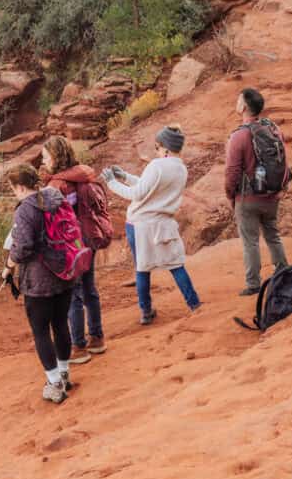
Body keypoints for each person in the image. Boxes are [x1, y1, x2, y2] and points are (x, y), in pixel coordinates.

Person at [102, 125, 201, 325]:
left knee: (142, 268)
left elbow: (138, 193)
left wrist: (112, 183)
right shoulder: (181, 168)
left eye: (157, 146)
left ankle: (146, 312)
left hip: (139, 225)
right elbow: (150, 186)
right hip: (163, 223)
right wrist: (125, 177)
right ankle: (194, 304)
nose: (156, 150)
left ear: (164, 147)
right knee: (175, 265)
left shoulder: (156, 165)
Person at [1, 163, 75, 405]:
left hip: (38, 280)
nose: (14, 193)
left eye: (14, 189)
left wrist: (9, 266)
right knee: (61, 323)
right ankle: (64, 374)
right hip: (64, 271)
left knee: (41, 331)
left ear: (20, 187)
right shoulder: (54, 196)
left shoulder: (25, 210)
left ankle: (55, 384)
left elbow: (23, 247)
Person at [42, 136, 106, 365]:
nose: (43, 161)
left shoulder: (57, 185)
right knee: (90, 288)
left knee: (74, 295)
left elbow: (52, 220)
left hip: (71, 245)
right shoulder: (83, 175)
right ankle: (97, 338)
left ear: (55, 157)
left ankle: (79, 346)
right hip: (89, 238)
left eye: (46, 157)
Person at [226, 88, 290, 296]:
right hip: (272, 195)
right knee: (273, 235)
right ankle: (283, 272)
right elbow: (284, 159)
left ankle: (253, 284)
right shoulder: (273, 129)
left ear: (244, 107)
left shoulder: (239, 136)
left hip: (248, 198)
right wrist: (283, 186)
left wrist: (230, 195)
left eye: (238, 100)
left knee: (250, 241)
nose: (236, 104)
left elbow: (232, 171)